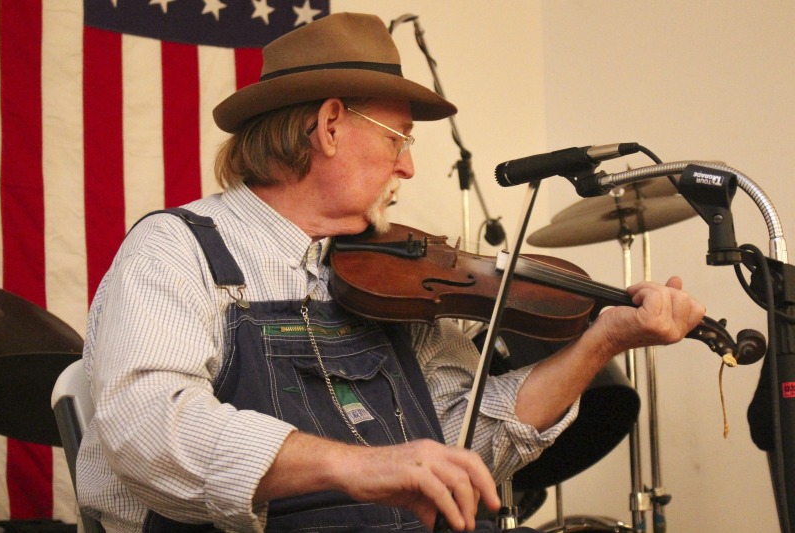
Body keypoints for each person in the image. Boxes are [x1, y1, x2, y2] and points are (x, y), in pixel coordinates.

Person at [76, 12, 705, 533]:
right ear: (327, 126)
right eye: (397, 139)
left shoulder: (392, 277)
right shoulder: (176, 251)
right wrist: (359, 467)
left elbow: (460, 446)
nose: (406, 168)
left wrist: (602, 341)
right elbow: (149, 426)